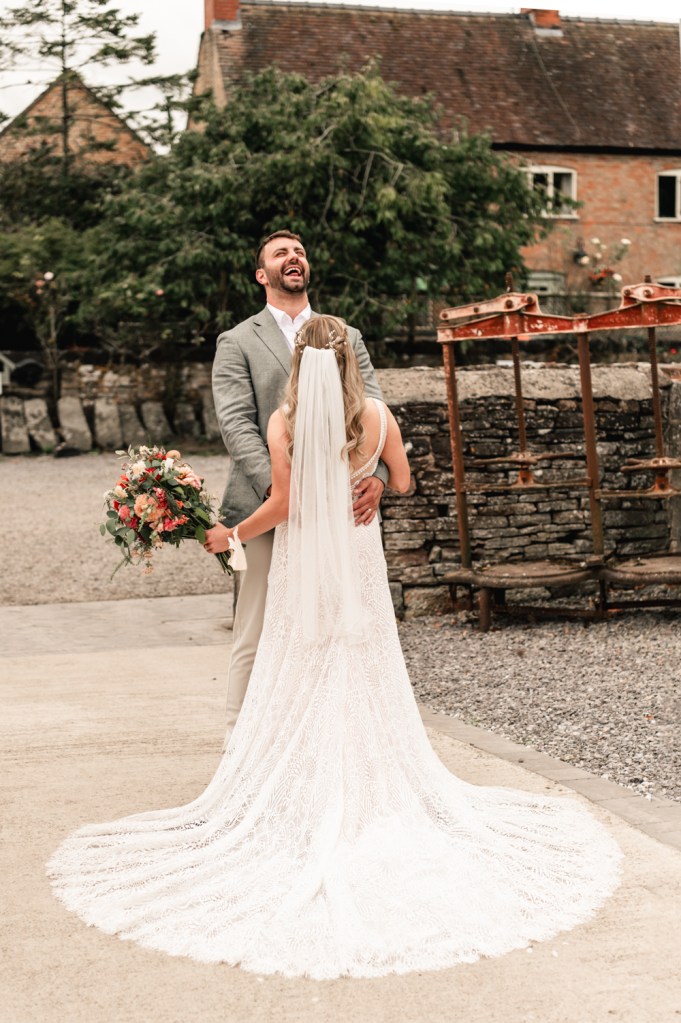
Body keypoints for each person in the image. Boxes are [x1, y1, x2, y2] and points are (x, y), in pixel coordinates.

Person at [48, 315, 621, 980]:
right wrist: (373, 477)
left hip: (303, 573)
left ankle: (304, 791)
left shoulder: (284, 423)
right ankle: (366, 791)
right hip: (358, 568)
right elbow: (402, 482)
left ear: (299, 363)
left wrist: (229, 533)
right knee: (361, 668)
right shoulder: (378, 415)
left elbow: (285, 505)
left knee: (300, 664)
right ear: (350, 362)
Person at [209, 230, 388, 744]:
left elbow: (374, 409)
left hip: (340, 510)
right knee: (258, 625)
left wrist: (375, 477)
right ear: (261, 274)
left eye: (300, 252)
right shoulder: (238, 340)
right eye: (281, 253)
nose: (294, 258)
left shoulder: (346, 336)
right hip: (267, 503)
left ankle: (320, 738)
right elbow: (236, 425)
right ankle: (238, 740)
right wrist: (277, 487)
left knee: (333, 623)